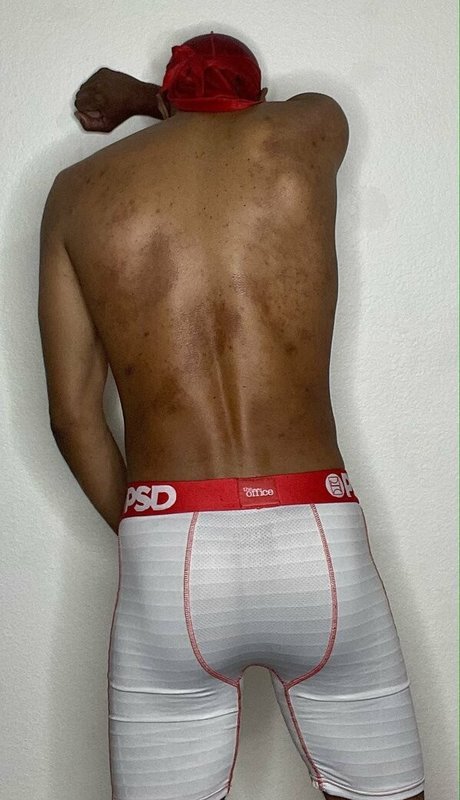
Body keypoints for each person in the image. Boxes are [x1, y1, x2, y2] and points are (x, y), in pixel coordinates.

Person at [38, 31, 425, 800]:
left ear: (173, 96)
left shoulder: (76, 193)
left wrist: (160, 537)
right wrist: (150, 101)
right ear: (258, 98)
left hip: (171, 547)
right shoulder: (309, 129)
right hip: (319, 535)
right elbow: (241, 117)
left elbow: (72, 418)